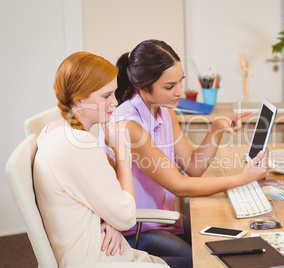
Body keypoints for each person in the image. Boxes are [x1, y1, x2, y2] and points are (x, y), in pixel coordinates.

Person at [102, 39, 270, 261]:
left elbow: (193, 167)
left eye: (180, 82)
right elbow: (180, 186)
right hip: (137, 228)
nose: (179, 91)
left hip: (162, 219)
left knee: (234, 245)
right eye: (169, 87)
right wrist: (242, 178)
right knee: (205, 260)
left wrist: (215, 130)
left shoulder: (164, 111)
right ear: (143, 87)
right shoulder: (129, 125)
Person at [33, 52, 168, 268]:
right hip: (101, 260)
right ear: (79, 99)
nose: (115, 102)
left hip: (107, 253)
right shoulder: (78, 145)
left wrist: (109, 219)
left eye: (113, 93)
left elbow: (88, 194)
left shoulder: (55, 130)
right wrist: (122, 150)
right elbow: (126, 217)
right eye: (106, 96)